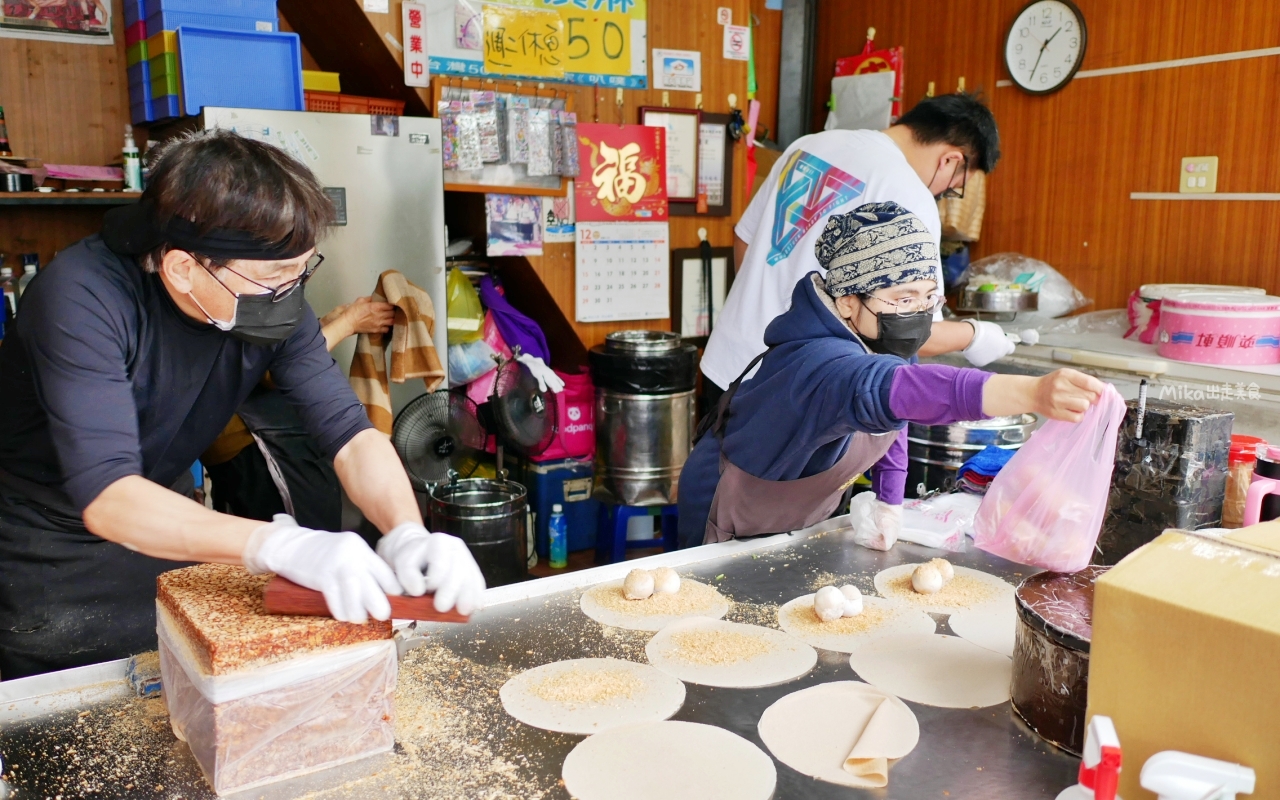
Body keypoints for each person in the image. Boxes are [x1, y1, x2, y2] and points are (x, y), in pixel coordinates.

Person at [0, 130, 484, 680]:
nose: (292, 289)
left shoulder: (272, 307)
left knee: (181, 686)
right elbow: (109, 496)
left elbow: (349, 433)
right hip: (52, 549)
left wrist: (405, 531)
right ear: (183, 267)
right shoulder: (82, 299)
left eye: (301, 271)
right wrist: (278, 544)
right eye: (275, 276)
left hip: (172, 520)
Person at [677, 202, 1105, 548]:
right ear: (847, 301)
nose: (917, 315)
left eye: (926, 299)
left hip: (792, 506)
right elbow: (896, 390)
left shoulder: (879, 335)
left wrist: (890, 499)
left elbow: (891, 416)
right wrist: (1031, 392)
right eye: (902, 298)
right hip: (729, 504)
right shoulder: (824, 366)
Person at [701, 93, 1013, 413]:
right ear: (951, 160)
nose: (943, 193)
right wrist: (975, 335)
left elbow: (744, 240)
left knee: (713, 463)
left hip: (725, 363)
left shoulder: (809, 144)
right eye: (953, 186)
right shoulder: (910, 197)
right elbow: (912, 331)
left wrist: (763, 304)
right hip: (793, 393)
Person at [202, 296, 395, 534]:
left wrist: (321, 325)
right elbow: (274, 367)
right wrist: (348, 323)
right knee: (301, 540)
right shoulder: (233, 289)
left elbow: (273, 345)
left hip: (257, 442)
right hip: (256, 445)